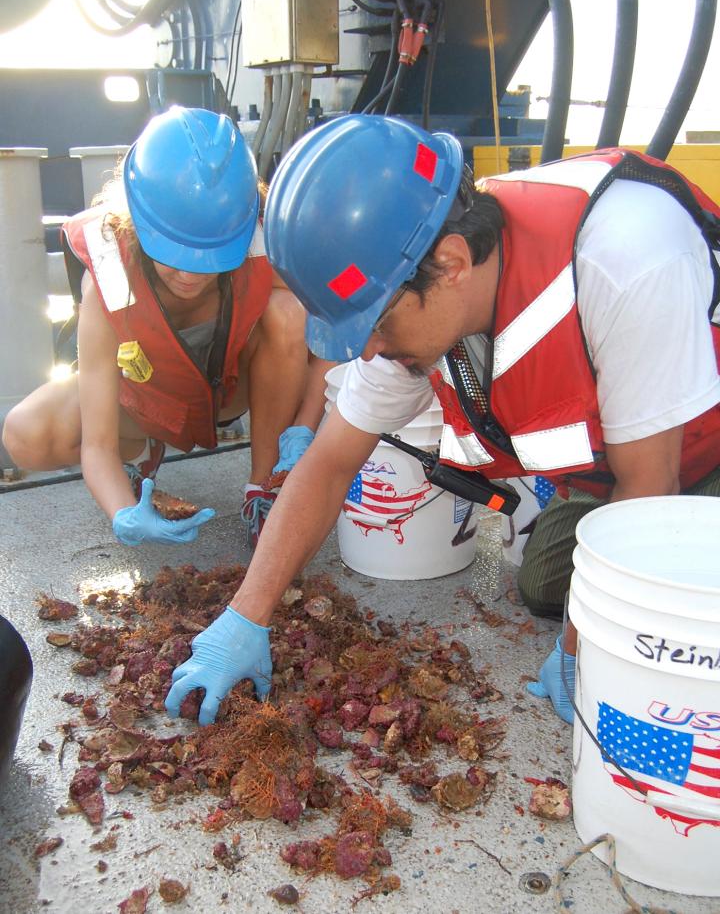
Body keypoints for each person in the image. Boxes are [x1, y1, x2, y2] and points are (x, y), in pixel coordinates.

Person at [163, 114, 720, 727]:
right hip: (617, 471)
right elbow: (328, 463)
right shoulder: (410, 285)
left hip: (693, 457)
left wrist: (579, 652)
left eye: (375, 324)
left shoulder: (627, 255)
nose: (368, 350)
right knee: (544, 586)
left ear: (452, 263)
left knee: (653, 636)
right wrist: (245, 616)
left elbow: (649, 491)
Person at [2, 106, 322, 548]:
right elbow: (95, 446)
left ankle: (264, 488)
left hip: (230, 391)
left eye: (210, 257)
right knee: (25, 433)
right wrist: (122, 514)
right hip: (145, 400)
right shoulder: (108, 283)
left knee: (290, 312)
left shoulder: (265, 239)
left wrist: (304, 426)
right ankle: (135, 476)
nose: (190, 275)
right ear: (136, 222)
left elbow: (341, 327)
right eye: (174, 254)